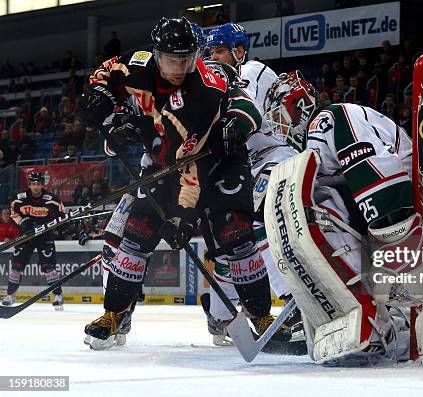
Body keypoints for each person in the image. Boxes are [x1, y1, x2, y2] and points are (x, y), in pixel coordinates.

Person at [76, 17, 288, 350]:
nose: (179, 67)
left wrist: (235, 124)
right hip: (168, 165)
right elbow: (107, 73)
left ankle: (261, 317)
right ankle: (114, 314)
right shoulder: (138, 67)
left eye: (187, 59)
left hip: (218, 164)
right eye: (173, 59)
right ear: (157, 54)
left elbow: (247, 105)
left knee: (236, 235)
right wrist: (99, 96)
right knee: (138, 232)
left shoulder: (211, 81)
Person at [263, 71, 417, 364]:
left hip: (413, 200)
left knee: (322, 201)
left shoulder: (328, 119)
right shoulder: (310, 142)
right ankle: (375, 314)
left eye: (279, 114)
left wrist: (393, 232)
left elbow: (372, 165)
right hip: (408, 199)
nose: (277, 125)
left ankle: (385, 318)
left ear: (298, 106)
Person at [205, 23, 301, 341]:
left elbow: (248, 117)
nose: (213, 56)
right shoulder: (211, 82)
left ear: (239, 51)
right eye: (211, 51)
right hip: (246, 162)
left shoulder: (252, 70)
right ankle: (221, 317)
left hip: (276, 154)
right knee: (227, 241)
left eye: (220, 50)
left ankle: (293, 300)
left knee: (255, 224)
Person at [2, 172, 65, 310]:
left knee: (49, 267)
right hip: (26, 236)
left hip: (45, 236)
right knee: (16, 266)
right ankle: (10, 295)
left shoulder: (52, 199)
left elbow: (62, 216)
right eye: (33, 184)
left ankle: (58, 296)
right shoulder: (19, 198)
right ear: (29, 185)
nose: (36, 187)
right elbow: (12, 212)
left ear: (43, 184)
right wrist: (22, 222)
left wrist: (56, 226)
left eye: (38, 184)